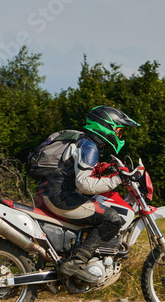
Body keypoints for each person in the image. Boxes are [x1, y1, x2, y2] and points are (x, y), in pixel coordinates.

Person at [38, 105, 139, 283]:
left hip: (56, 193)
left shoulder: (86, 143)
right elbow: (84, 184)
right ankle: (77, 262)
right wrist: (117, 179)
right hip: (62, 197)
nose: (120, 136)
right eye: (119, 131)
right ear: (107, 127)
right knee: (113, 219)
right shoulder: (89, 146)